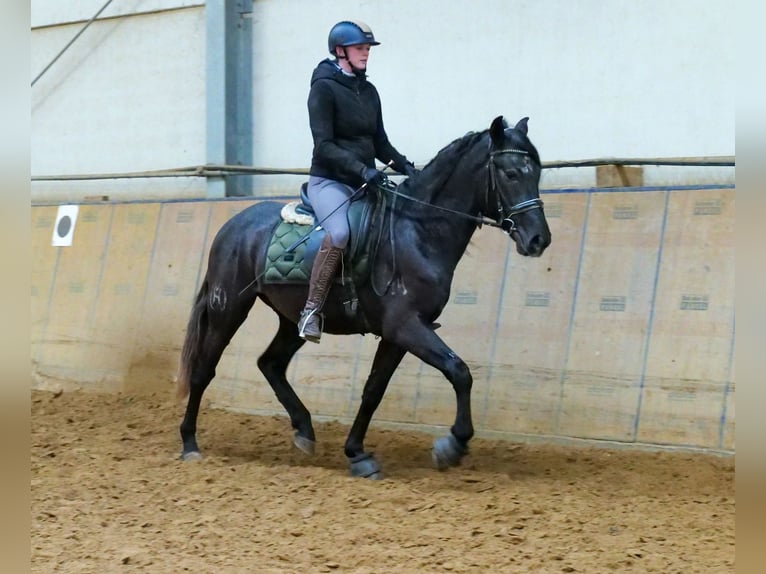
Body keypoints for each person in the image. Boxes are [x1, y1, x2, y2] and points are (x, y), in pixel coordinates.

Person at [298, 20, 418, 343]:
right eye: (359, 48)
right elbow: (324, 145)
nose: (366, 53)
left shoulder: (369, 92)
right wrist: (362, 170)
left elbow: (380, 143)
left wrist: (406, 165)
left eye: (367, 48)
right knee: (339, 233)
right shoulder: (323, 89)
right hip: (330, 182)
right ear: (340, 51)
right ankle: (311, 310)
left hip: (365, 181)